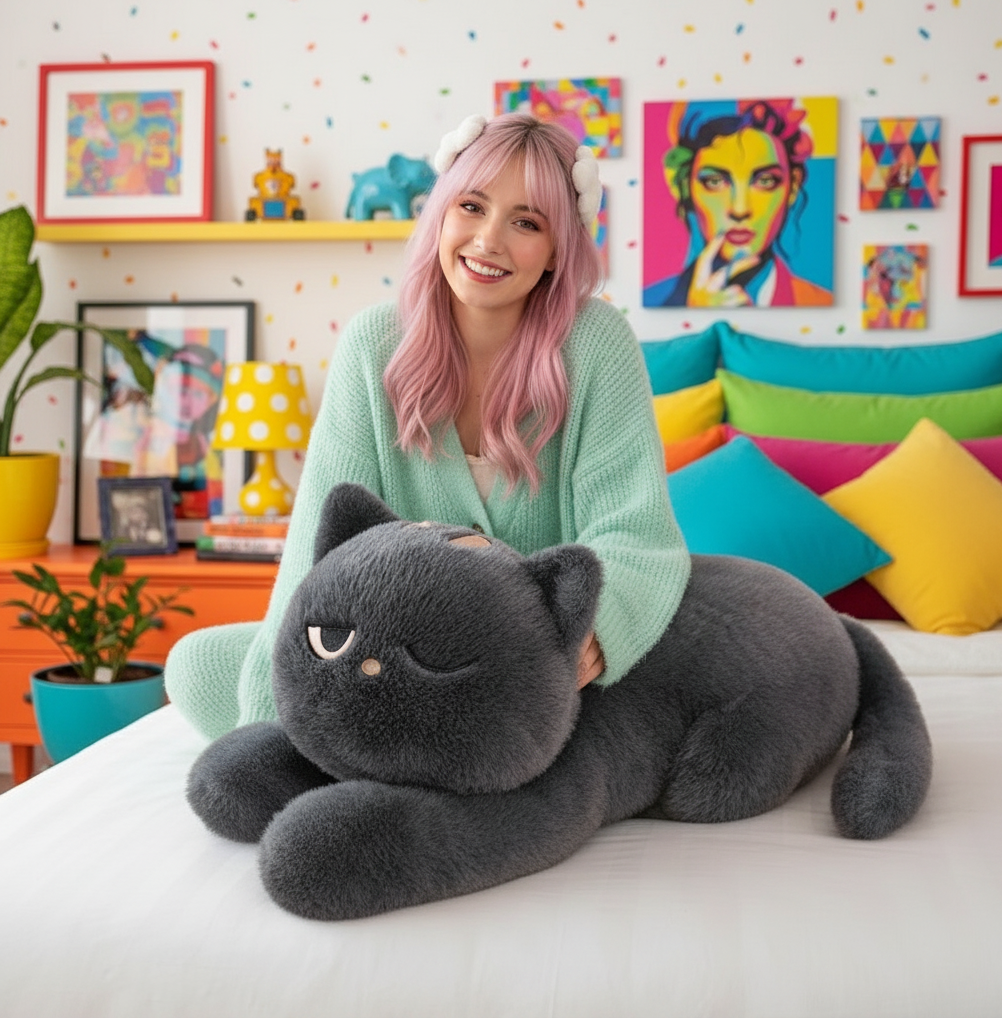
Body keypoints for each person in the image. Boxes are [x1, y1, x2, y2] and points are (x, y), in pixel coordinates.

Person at [166, 112, 691, 741]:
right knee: (197, 666)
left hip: (535, 659)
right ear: (442, 213)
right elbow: (317, 547)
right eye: (472, 206)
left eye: (527, 222)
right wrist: (271, 736)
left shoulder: (596, 345)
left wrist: (596, 631)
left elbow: (635, 533)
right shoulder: (374, 344)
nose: (489, 240)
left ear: (557, 251)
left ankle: (409, 753)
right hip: (398, 654)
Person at [647, 100, 832, 308]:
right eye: (714, 182)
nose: (740, 209)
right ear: (683, 186)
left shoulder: (818, 301)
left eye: (765, 181)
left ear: (793, 187)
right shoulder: (648, 305)